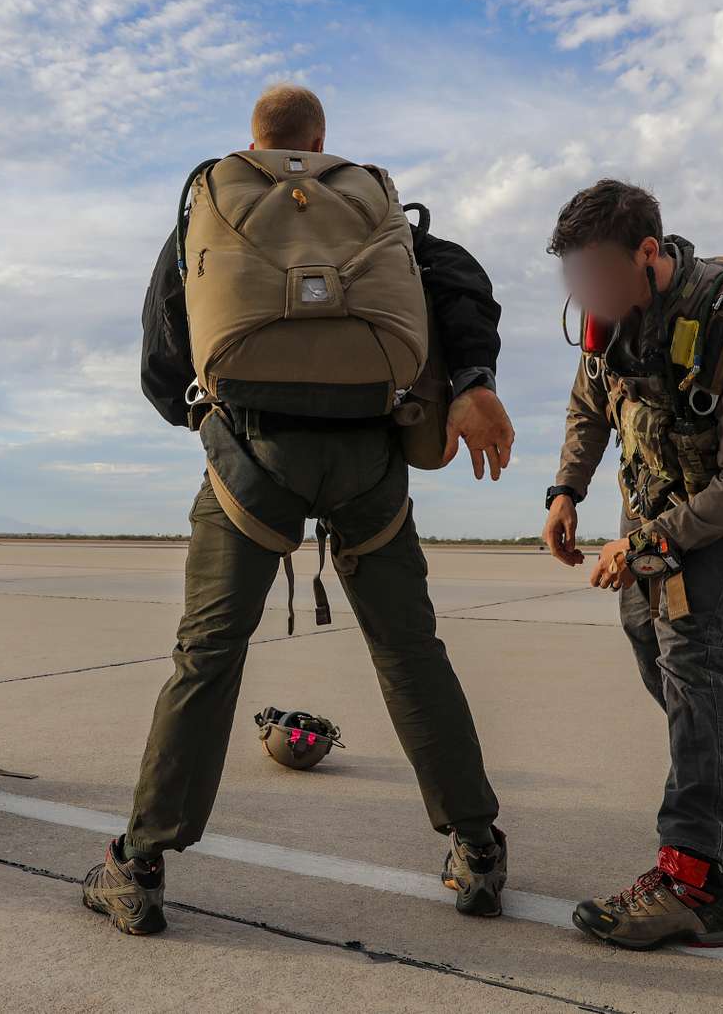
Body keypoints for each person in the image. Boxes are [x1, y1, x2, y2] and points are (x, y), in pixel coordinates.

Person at [81, 84, 516, 935]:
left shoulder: (210, 209)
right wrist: (473, 383)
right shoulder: (370, 204)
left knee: (207, 655)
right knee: (409, 650)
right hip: (369, 460)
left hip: (251, 456)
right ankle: (477, 843)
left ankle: (140, 865)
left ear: (255, 140)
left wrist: (210, 419)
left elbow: (163, 361)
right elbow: (459, 281)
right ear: (321, 141)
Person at [541, 179, 723, 950]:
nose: (591, 294)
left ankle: (694, 881)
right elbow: (590, 405)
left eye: (601, 275)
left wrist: (644, 546)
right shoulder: (606, 315)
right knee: (651, 648)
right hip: (643, 513)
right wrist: (565, 491)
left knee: (690, 660)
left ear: (649, 252)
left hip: (716, 521)